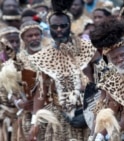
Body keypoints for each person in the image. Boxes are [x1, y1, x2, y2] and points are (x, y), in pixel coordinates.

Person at [28, 0, 97, 140]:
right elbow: (40, 93)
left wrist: (97, 111)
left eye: (63, 26)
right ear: (49, 27)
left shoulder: (88, 49)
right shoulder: (43, 57)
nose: (59, 29)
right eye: (54, 26)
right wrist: (34, 122)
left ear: (70, 25)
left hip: (90, 112)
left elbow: (103, 80)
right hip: (60, 116)